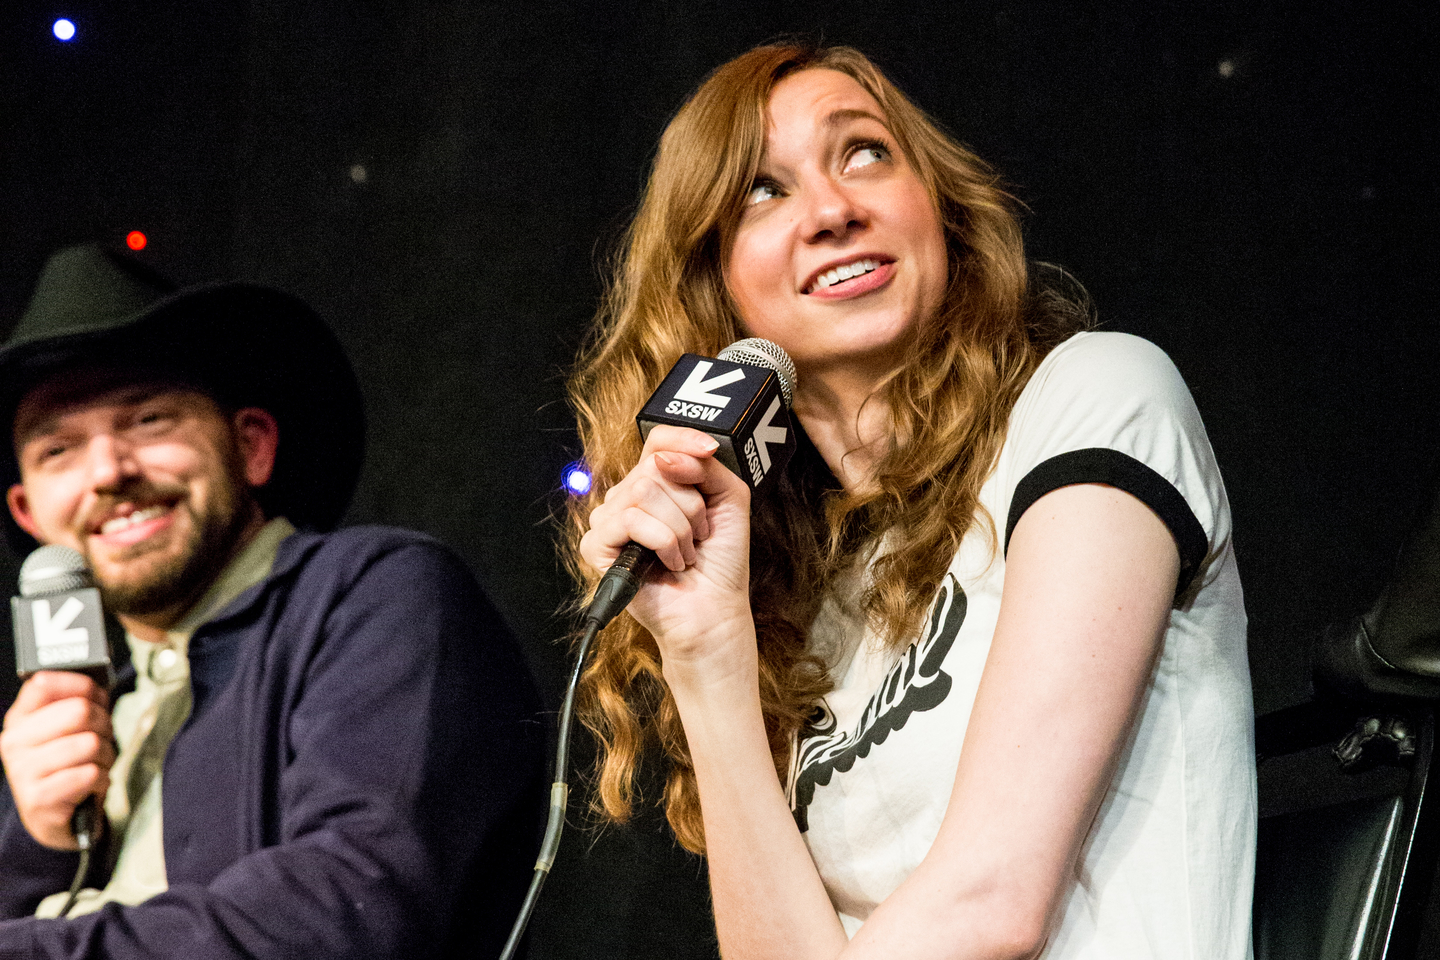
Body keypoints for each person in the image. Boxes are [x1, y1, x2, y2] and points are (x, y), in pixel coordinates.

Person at [566, 43, 1255, 960]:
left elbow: (989, 903)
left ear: (939, 209)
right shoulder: (810, 603)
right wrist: (707, 653)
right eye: (761, 193)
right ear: (715, 287)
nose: (832, 209)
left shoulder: (1098, 397)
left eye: (863, 153)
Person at [0, 245, 544, 958]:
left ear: (252, 445)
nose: (108, 471)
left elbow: (349, 907)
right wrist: (33, 842)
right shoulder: (58, 714)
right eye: (57, 451)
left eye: (149, 420)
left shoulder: (375, 594)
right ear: (28, 513)